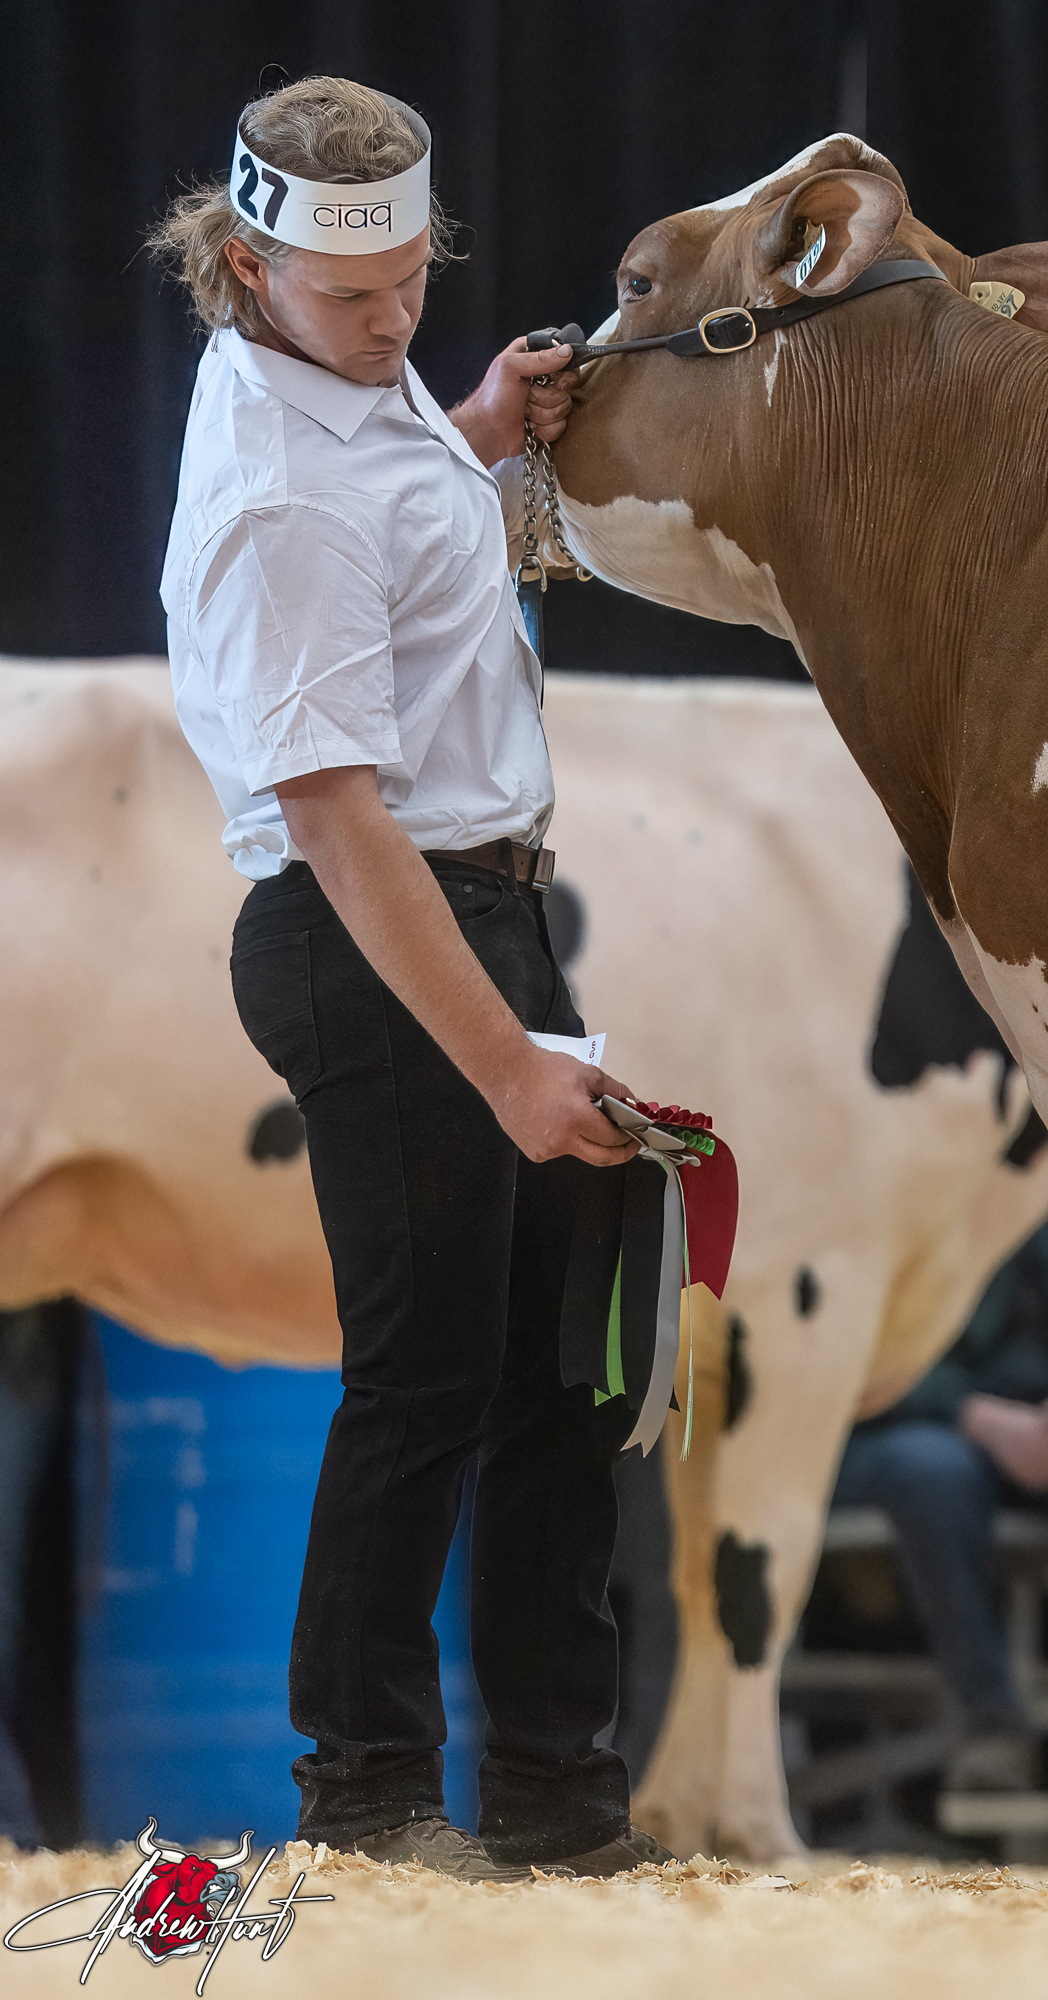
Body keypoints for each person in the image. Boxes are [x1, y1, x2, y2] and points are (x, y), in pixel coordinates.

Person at [151, 78, 658, 1880]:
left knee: (550, 1384)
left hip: (479, 906)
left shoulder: (357, 405)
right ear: (243, 262)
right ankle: (363, 1805)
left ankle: (557, 1806)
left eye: (409, 285)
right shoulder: (280, 487)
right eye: (348, 297)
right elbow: (337, 809)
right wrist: (515, 1062)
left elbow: (393, 498)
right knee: (430, 1375)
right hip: (375, 924)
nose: (390, 320)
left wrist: (479, 423)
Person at [834, 1191, 1048, 1790]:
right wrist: (981, 1418)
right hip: (910, 1422)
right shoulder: (915, 1179)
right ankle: (990, 1721)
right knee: (932, 1471)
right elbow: (856, 1352)